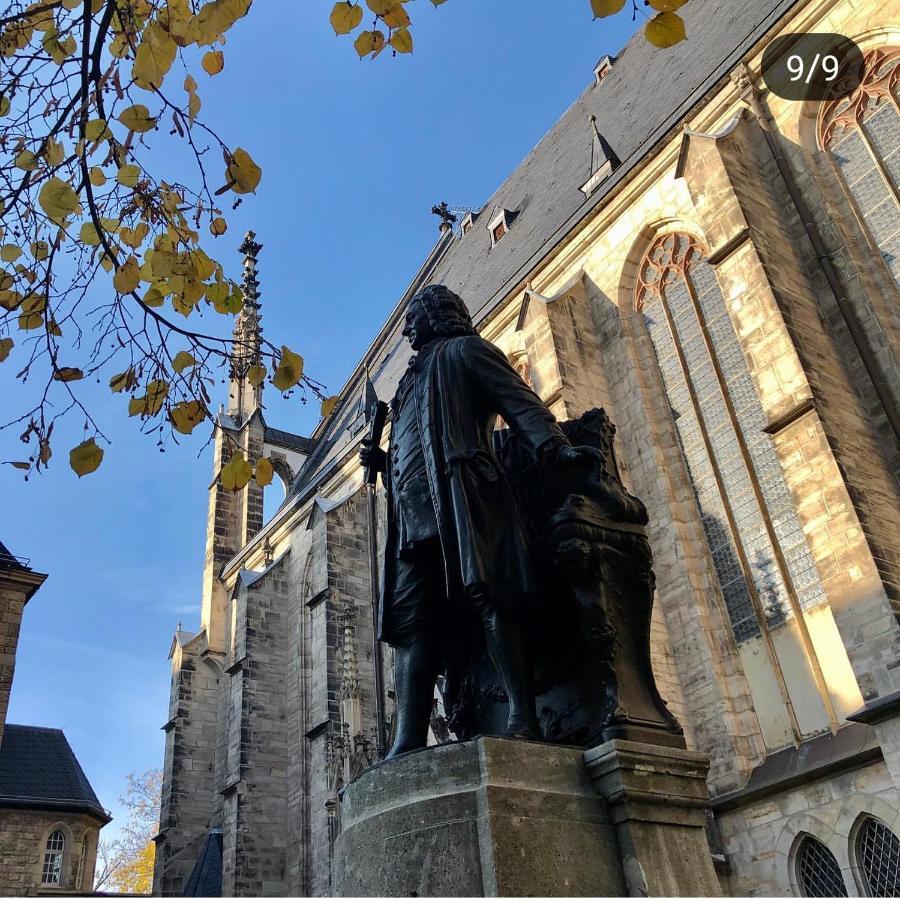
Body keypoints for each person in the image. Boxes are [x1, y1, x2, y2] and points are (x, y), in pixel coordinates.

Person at [360, 284, 592, 757]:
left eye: (413, 317)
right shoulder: (407, 384)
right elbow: (415, 448)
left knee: (490, 596)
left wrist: (555, 446)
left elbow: (518, 401)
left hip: (465, 497)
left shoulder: (467, 351)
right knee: (410, 625)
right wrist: (382, 461)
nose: (406, 328)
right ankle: (406, 740)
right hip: (412, 522)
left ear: (438, 314)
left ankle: (522, 717)